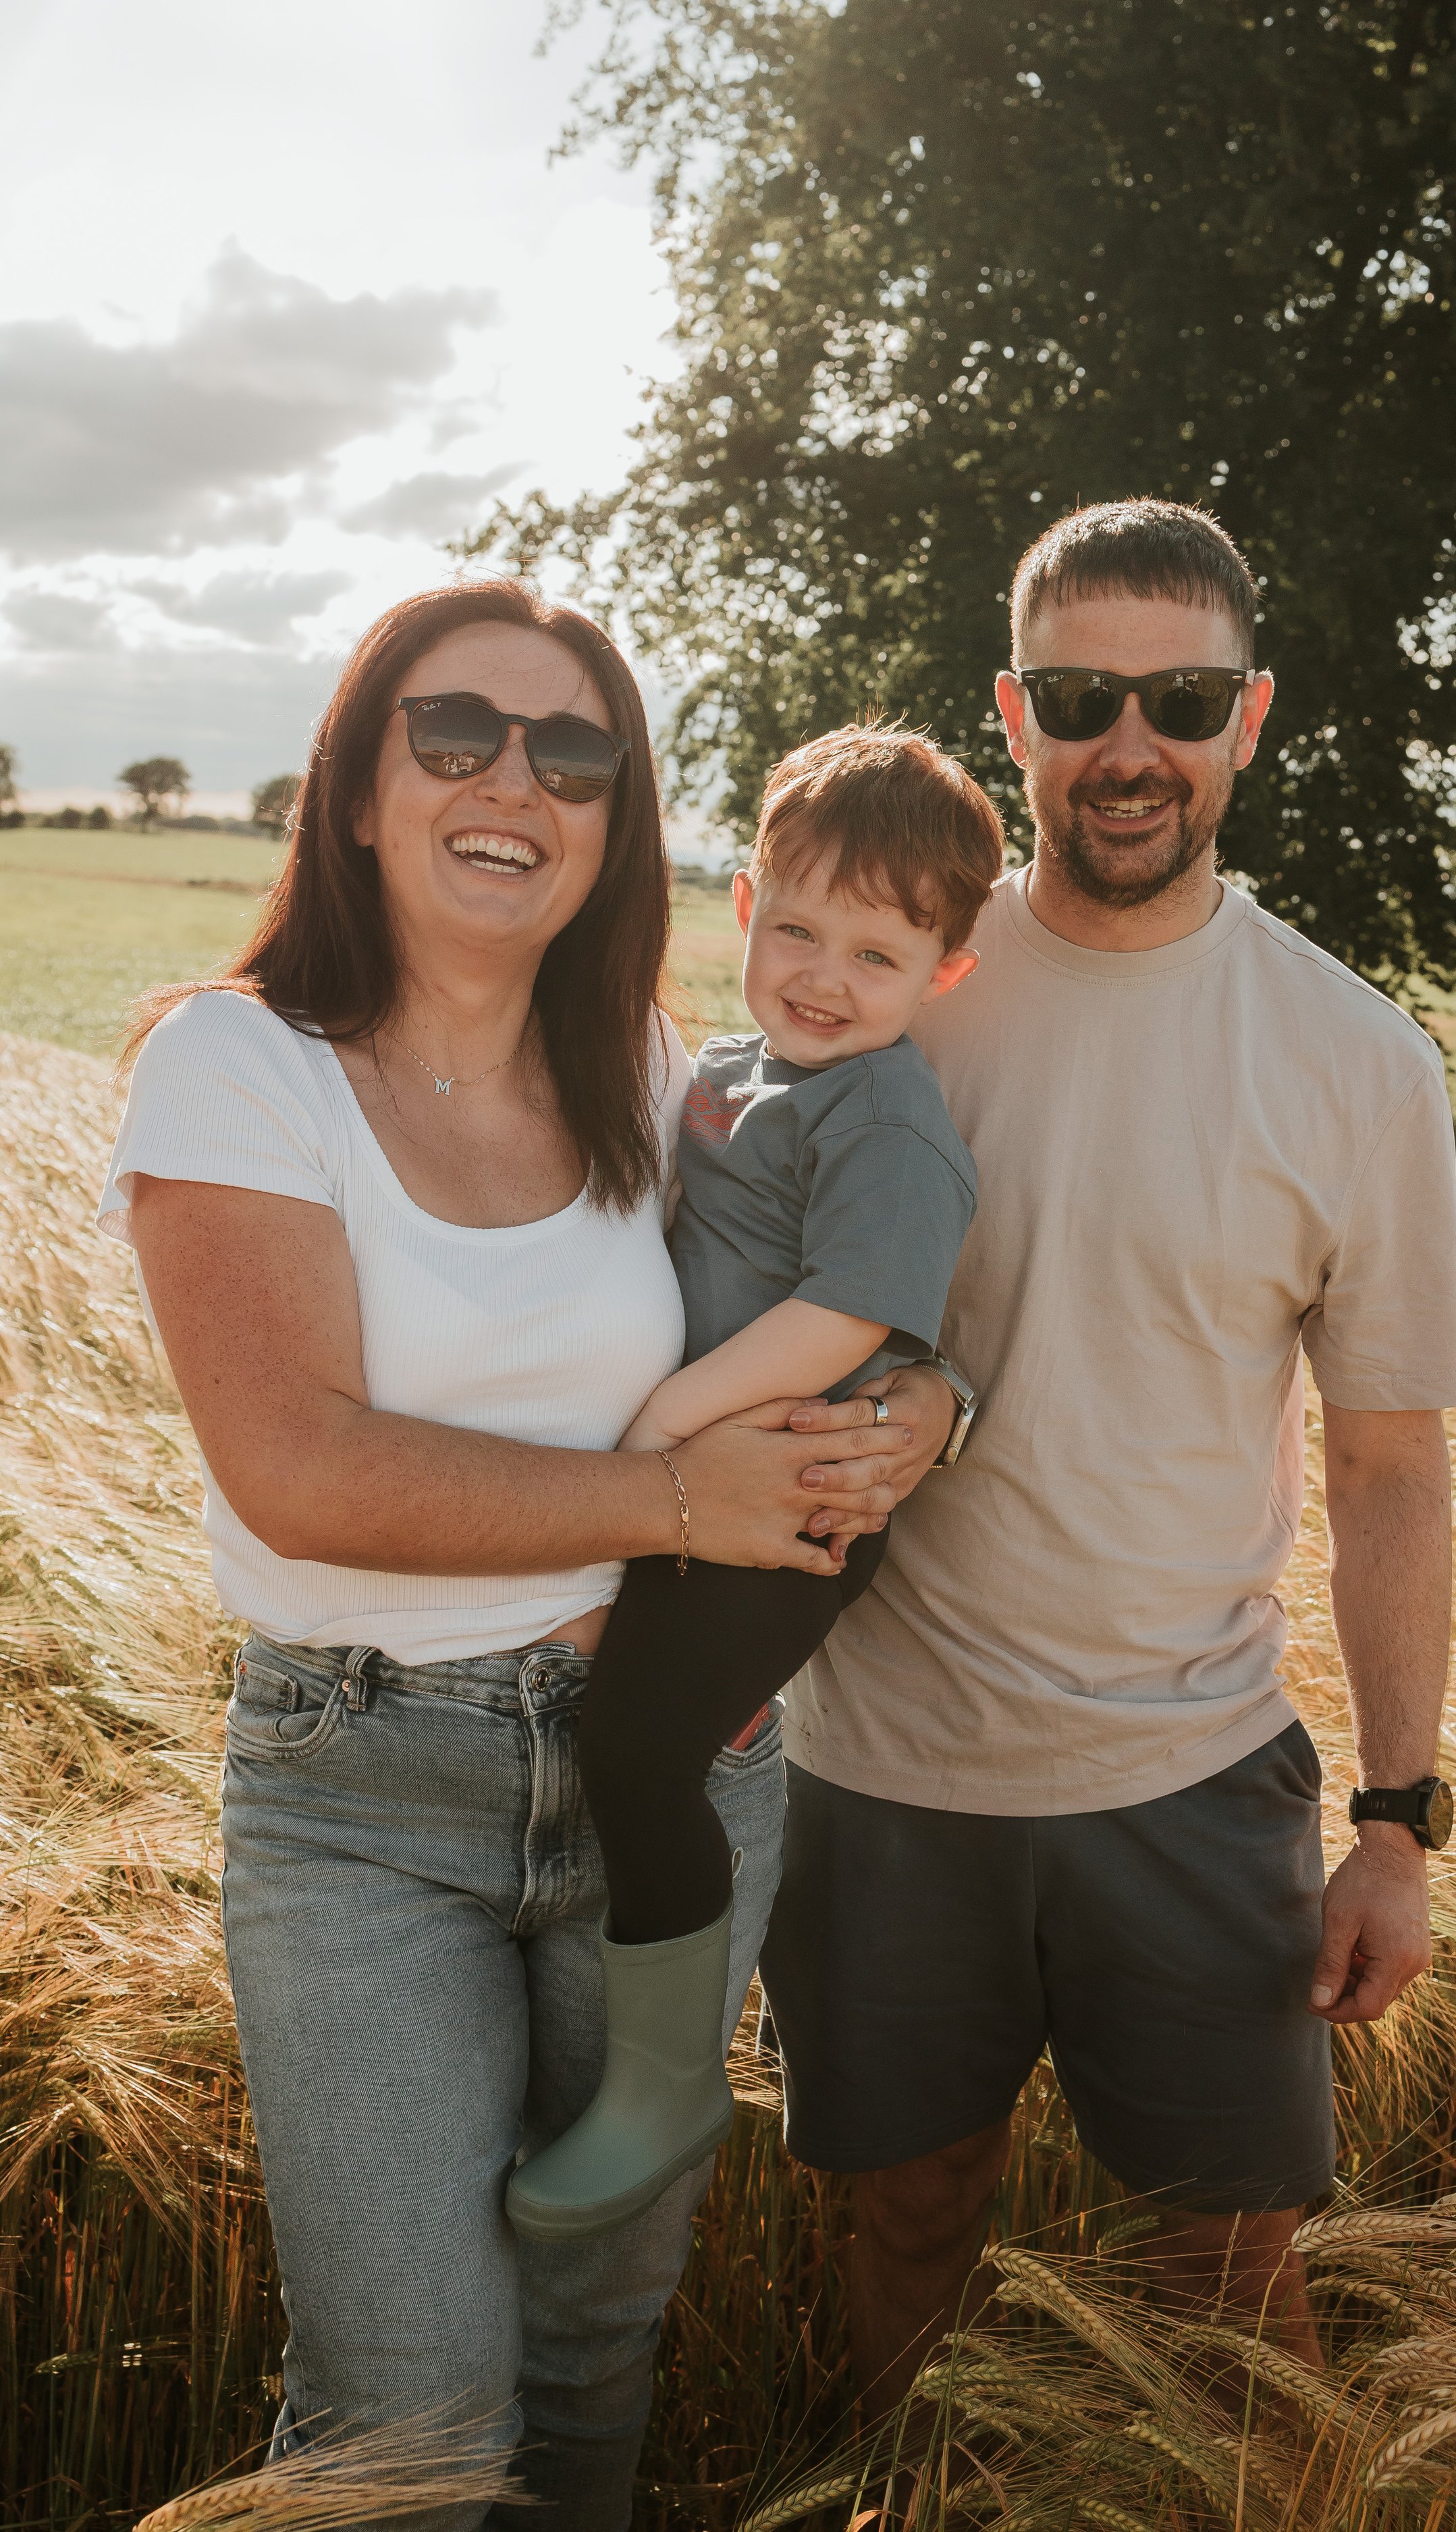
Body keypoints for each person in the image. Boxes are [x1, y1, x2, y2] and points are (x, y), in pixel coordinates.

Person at [97, 580, 901, 2532]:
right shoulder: (239, 1065)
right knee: (411, 2426)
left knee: (590, 2351)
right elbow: (304, 1467)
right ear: (359, 789)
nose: (512, 781)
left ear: (613, 820)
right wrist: (679, 1504)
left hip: (682, 1769)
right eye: (453, 733)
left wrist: (922, 1407)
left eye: (573, 752)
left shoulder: (643, 1061)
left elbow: (840, 1288)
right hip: (367, 1793)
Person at [759, 497, 1456, 2414]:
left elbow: (1389, 1466)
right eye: (1084, 694)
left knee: (1233, 2290)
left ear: (1247, 718)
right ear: (1014, 711)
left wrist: (1399, 1817)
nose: (1130, 743)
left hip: (1183, 1773)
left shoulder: (1354, 1060)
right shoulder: (898, 983)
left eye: (1181, 696)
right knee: (905, 2223)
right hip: (882, 1773)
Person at [506, 724, 1002, 2244]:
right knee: (632, 1726)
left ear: (943, 974)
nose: (823, 975)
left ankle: (664, 2084)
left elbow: (844, 1318)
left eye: (874, 951)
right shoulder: (726, 1072)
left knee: (635, 1754)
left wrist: (659, 1419)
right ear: (740, 906)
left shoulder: (885, 1118)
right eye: (795, 929)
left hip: (793, 1488)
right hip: (709, 1478)